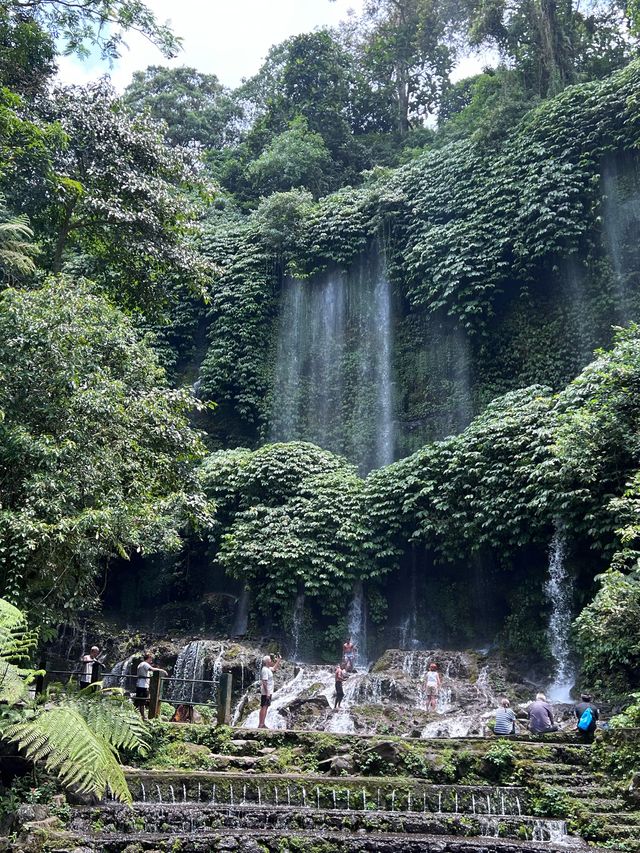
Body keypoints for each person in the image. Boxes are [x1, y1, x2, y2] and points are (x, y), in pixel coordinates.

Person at [135, 653, 168, 719]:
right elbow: (152, 669)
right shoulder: (145, 664)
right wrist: (162, 670)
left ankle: (140, 715)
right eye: (151, 658)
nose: (151, 660)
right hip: (143, 685)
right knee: (142, 701)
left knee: (140, 700)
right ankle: (143, 716)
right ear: (148, 658)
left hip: (140, 684)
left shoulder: (140, 664)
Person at [258, 653, 281, 729]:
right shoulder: (265, 670)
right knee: (264, 707)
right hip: (266, 692)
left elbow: (274, 668)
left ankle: (262, 723)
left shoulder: (268, 669)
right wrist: (267, 692)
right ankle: (261, 724)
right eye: (270, 660)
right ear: (267, 662)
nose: (272, 661)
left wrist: (278, 660)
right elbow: (264, 682)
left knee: (266, 707)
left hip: (268, 692)